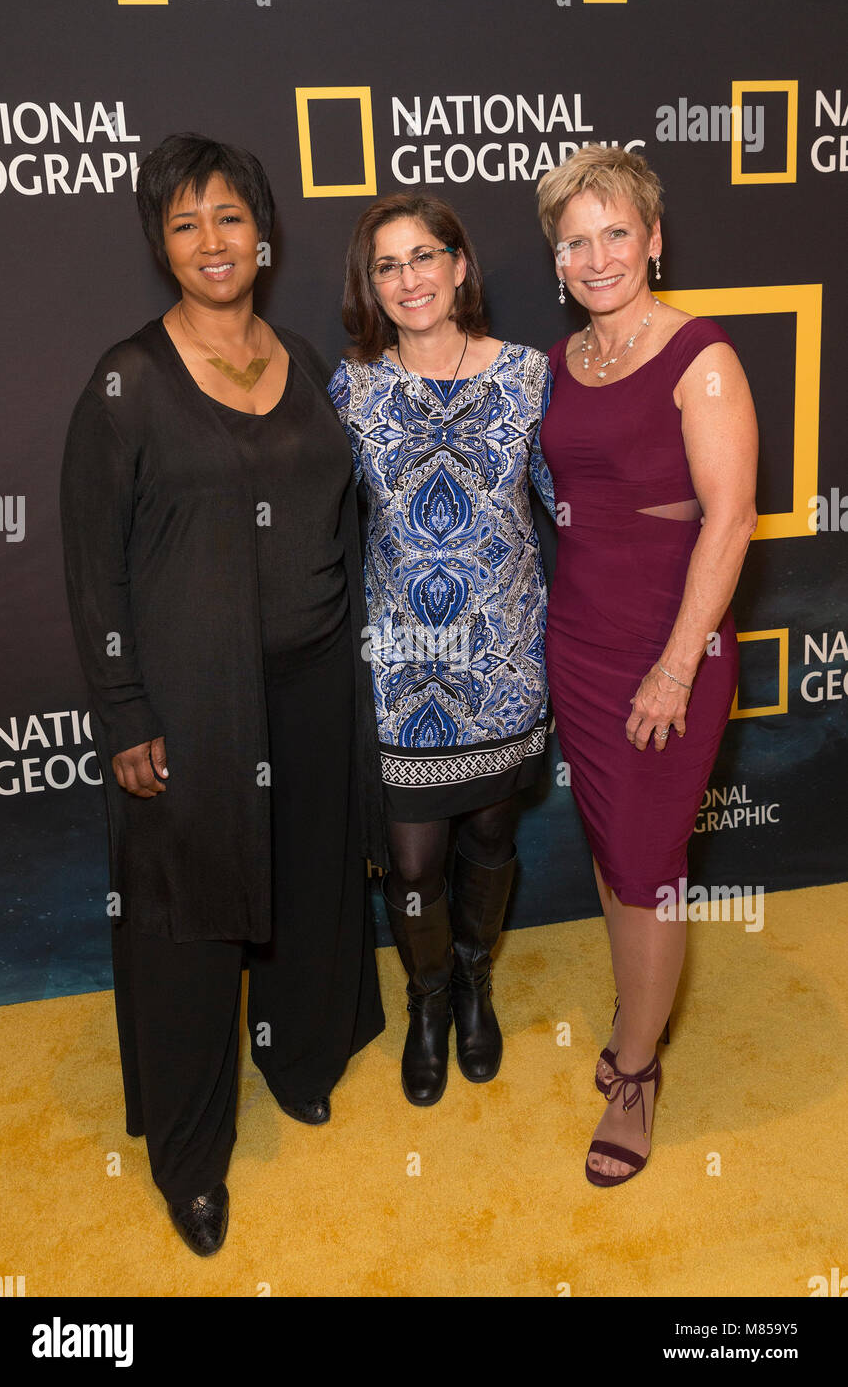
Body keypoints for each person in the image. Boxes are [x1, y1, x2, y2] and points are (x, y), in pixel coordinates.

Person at [60, 134, 385, 1254]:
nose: (213, 240)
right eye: (187, 221)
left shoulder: (299, 356)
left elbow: (339, 513)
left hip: (309, 685)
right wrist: (123, 707)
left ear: (266, 234)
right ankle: (192, 1157)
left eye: (230, 218)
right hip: (193, 705)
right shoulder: (127, 382)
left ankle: (297, 1056)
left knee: (302, 880)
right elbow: (91, 560)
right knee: (189, 920)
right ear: (162, 241)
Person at [536, 146, 758, 1186]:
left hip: (668, 650)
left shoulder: (700, 354)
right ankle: (638, 1012)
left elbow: (728, 516)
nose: (596, 254)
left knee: (646, 861)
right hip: (577, 641)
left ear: (654, 239)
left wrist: (674, 666)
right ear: (556, 261)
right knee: (612, 847)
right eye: (574, 239)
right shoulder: (558, 361)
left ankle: (634, 1072)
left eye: (615, 231)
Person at [329, 193, 555, 1107]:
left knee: (491, 841)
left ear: (461, 266)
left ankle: (474, 981)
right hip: (403, 672)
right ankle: (426, 1002)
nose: (409, 278)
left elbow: (573, 506)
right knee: (414, 861)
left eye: (425, 256)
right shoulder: (354, 388)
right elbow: (317, 518)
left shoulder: (531, 377)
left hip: (502, 664)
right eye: (387, 265)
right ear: (371, 285)